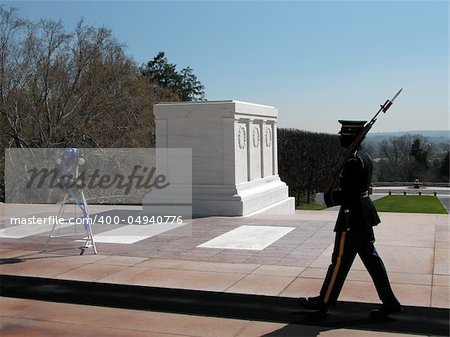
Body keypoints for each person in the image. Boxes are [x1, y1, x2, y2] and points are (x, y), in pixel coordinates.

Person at [298, 120, 402, 318]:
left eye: (343, 135)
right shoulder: (364, 156)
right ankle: (390, 302)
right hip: (363, 215)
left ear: (350, 137)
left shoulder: (354, 160)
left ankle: (324, 300)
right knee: (371, 260)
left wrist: (327, 199)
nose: (340, 138)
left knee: (339, 261)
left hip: (352, 217)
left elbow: (350, 194)